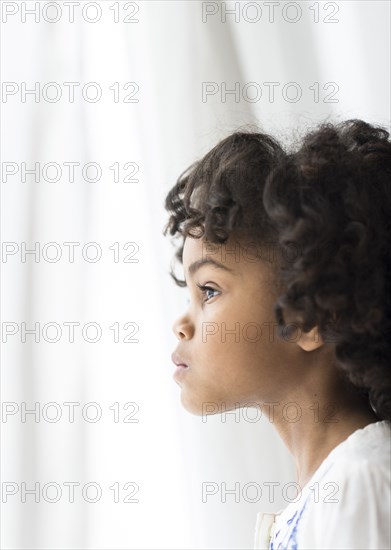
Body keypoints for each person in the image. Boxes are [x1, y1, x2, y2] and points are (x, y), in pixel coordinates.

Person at [162, 120, 391, 549]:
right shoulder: (329, 492)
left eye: (208, 290)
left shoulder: (363, 482)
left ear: (310, 318)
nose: (181, 324)